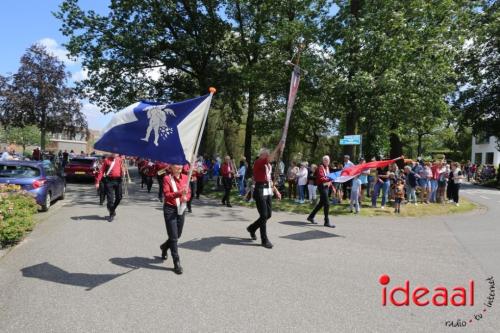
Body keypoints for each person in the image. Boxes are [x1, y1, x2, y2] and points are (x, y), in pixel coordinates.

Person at [246, 142, 283, 248]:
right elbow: (270, 158)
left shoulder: (268, 165)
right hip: (260, 188)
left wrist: (276, 191)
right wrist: (278, 146)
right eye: (266, 154)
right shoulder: (258, 162)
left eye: (268, 154)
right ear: (262, 155)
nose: (268, 156)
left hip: (267, 188)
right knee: (263, 215)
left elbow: (269, 179)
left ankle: (252, 228)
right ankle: (264, 240)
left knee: (268, 215)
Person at [160, 164, 191, 274]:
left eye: (180, 165)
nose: (179, 166)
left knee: (178, 235)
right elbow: (167, 195)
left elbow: (189, 193)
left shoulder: (186, 177)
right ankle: (176, 262)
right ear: (171, 167)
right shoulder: (167, 178)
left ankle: (164, 247)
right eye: (176, 165)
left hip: (181, 208)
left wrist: (186, 197)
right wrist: (179, 193)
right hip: (170, 209)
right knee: (174, 237)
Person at [307, 155, 335, 228]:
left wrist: (333, 187)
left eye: (328, 160)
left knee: (321, 204)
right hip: (322, 187)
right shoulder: (320, 168)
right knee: (327, 204)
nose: (327, 161)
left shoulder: (327, 168)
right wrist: (330, 179)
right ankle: (326, 221)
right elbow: (321, 178)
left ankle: (311, 217)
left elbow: (329, 178)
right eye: (325, 160)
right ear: (323, 161)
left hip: (326, 187)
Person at [95, 154, 124, 222]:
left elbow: (122, 169)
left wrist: (123, 171)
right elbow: (101, 171)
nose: (114, 153)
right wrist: (97, 182)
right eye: (113, 152)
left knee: (119, 197)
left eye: (115, 152)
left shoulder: (120, 160)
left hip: (118, 180)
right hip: (109, 181)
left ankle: (112, 209)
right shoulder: (106, 160)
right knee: (110, 199)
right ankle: (111, 214)